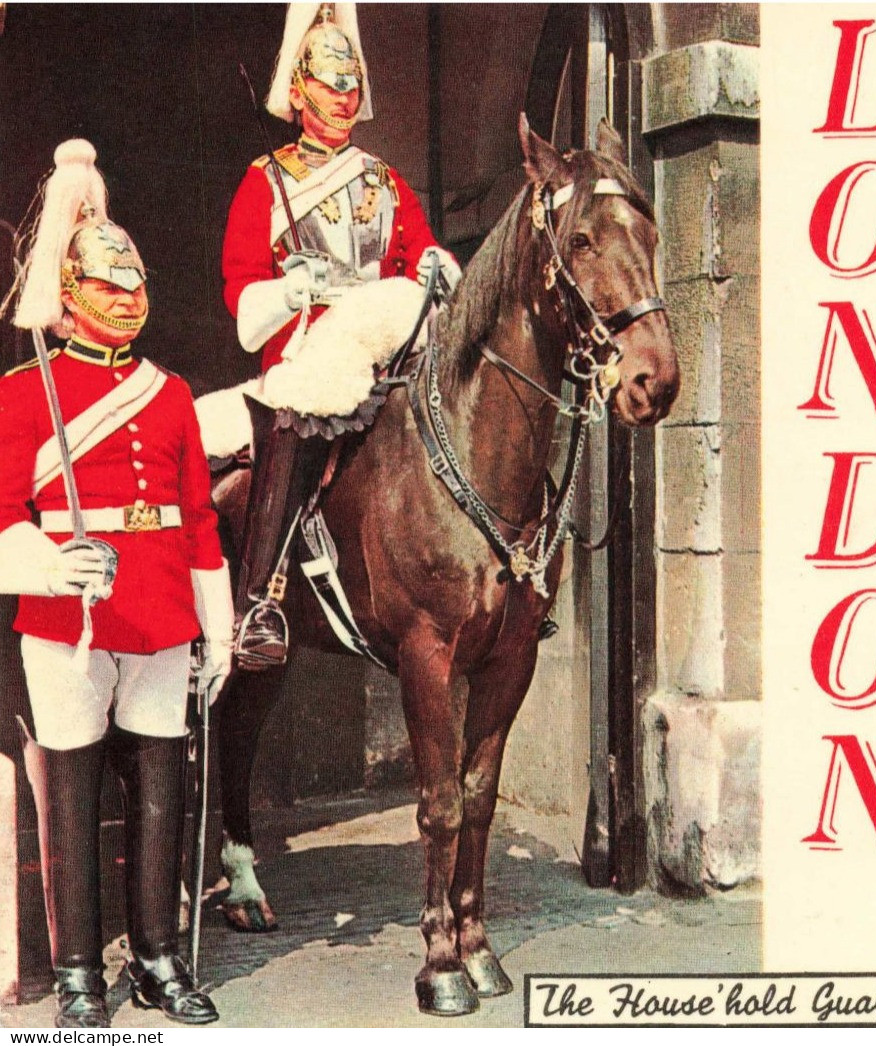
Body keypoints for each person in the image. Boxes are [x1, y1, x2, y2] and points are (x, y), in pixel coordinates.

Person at [1, 140, 231, 1027]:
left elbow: (198, 521)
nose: (128, 297)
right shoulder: (26, 393)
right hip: (67, 617)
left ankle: (158, 955)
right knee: (70, 793)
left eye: (135, 284)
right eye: (108, 285)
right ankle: (76, 973)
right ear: (68, 297)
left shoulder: (168, 393)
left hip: (162, 609)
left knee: (160, 785)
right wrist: (45, 562)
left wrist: (216, 626)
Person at [221, 1, 456, 668]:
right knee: (298, 408)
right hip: (307, 350)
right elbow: (243, 304)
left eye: (351, 84)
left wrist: (439, 263)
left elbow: (421, 254)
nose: (344, 97)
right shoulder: (265, 182)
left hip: (387, 349)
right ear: (297, 92)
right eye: (329, 84)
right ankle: (260, 600)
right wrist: (291, 290)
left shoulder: (384, 181)